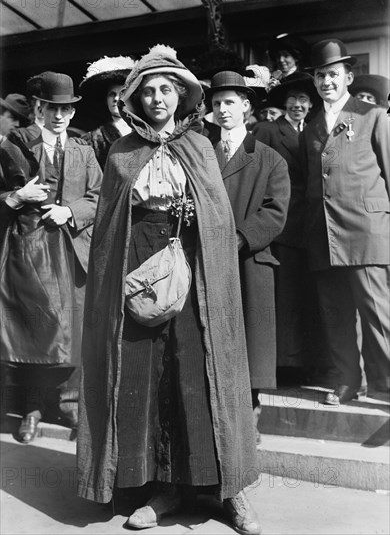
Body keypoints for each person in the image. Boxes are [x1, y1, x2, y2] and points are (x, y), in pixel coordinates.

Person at [77, 45, 261, 535]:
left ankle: (226, 489)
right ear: (134, 99)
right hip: (136, 267)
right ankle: (161, 489)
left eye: (166, 89)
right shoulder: (121, 152)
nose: (157, 98)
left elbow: (219, 221)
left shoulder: (199, 146)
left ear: (181, 95)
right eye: (148, 91)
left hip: (194, 269)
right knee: (148, 375)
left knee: (200, 370)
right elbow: (109, 229)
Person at [0, 72, 102, 442]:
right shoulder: (13, 145)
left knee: (74, 329)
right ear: (38, 109)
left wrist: (71, 211)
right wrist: (16, 198)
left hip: (73, 249)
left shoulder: (84, 150)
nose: (59, 116)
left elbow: (99, 195)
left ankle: (71, 404)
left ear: (72, 113)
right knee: (35, 330)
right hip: (31, 250)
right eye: (51, 108)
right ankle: (32, 407)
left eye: (66, 109)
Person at [300, 38, 390, 405]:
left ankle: (386, 383)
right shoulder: (311, 125)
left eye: (333, 74)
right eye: (321, 75)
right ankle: (348, 381)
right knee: (336, 314)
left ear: (348, 76)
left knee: (377, 313)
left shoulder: (373, 116)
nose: (327, 81)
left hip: (366, 230)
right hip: (324, 232)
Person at [204, 70, 290, 429]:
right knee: (215, 334)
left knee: (250, 338)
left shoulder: (269, 158)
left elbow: (274, 211)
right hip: (207, 257)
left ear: (246, 107)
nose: (222, 110)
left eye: (229, 103)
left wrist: (239, 238)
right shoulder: (203, 152)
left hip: (249, 257)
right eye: (216, 104)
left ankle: (249, 414)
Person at [252, 73, 331, 384]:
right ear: (283, 104)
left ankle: (309, 364)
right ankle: (284, 367)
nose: (298, 105)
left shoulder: (315, 132)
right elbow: (256, 174)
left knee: (307, 298)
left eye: (304, 100)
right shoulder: (269, 130)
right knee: (285, 298)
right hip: (281, 226)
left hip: (312, 228)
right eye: (292, 100)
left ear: (311, 104)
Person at [80, 55, 135, 169]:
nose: (116, 98)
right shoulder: (92, 140)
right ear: (105, 100)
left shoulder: (144, 132)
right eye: (112, 94)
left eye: (121, 93)